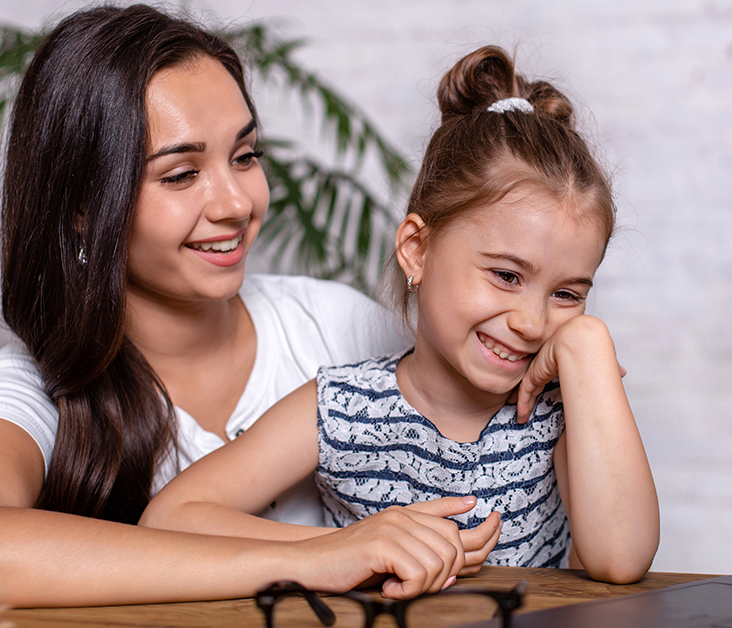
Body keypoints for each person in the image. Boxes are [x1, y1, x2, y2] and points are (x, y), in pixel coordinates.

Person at [0, 5, 500, 607]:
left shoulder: (336, 327)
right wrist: (318, 555)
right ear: (83, 207)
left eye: (245, 157)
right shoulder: (39, 385)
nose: (236, 203)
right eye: (182, 174)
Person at [141, 45, 660, 584]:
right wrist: (351, 546)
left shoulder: (559, 409)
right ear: (417, 249)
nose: (531, 322)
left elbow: (621, 559)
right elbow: (169, 519)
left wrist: (587, 346)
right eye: (506, 276)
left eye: (568, 295)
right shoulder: (341, 407)